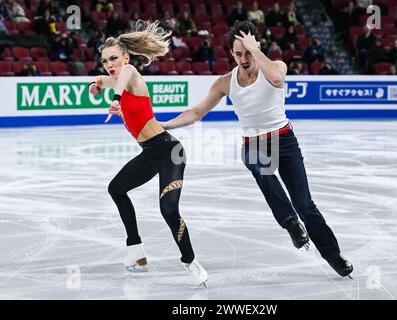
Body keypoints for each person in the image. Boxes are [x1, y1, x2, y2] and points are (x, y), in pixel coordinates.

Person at [160, 20, 353, 278]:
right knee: (255, 162)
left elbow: (275, 77)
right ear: (231, 53)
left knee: (305, 205)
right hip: (255, 143)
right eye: (238, 53)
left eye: (248, 52)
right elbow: (196, 112)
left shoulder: (275, 66)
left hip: (285, 141)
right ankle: (291, 223)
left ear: (257, 47)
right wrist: (165, 124)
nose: (244, 58)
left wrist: (255, 49)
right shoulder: (225, 82)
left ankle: (332, 254)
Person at [88, 20, 207, 286]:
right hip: (150, 154)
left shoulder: (132, 75)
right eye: (105, 60)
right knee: (116, 189)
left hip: (169, 151)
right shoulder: (114, 77)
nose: (110, 64)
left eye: (114, 58)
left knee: (168, 209)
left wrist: (116, 99)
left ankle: (190, 260)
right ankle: (136, 251)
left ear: (126, 57)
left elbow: (124, 77)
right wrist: (93, 85)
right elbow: (103, 80)